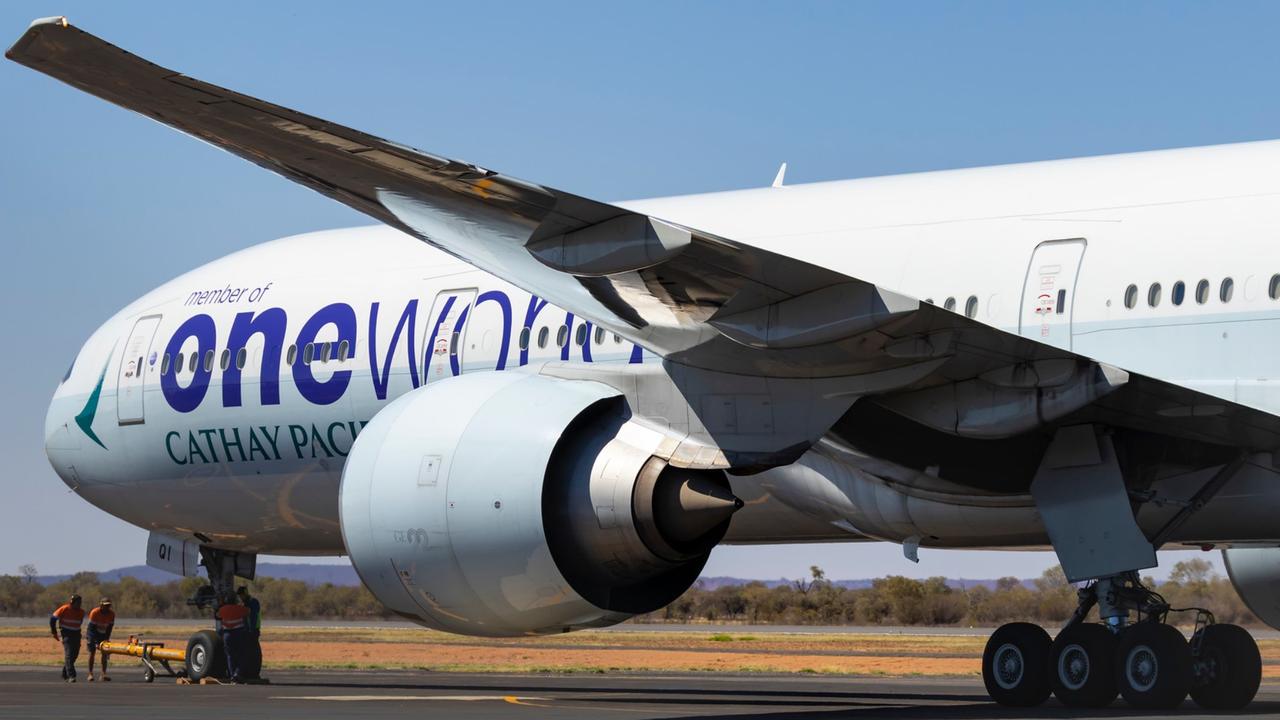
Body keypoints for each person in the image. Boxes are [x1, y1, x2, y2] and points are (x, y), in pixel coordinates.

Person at [50, 594, 85, 683]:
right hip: (66, 634)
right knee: (69, 654)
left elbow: (79, 623)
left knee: (75, 654)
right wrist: (54, 632)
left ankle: (65, 673)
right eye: (77, 603)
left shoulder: (81, 612)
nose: (78, 604)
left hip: (77, 634)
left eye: (80, 603)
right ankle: (71, 676)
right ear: (72, 602)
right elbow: (53, 619)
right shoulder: (64, 608)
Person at [215, 593, 250, 683]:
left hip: (227, 634)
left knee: (230, 656)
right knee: (242, 655)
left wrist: (221, 604)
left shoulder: (222, 609)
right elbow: (248, 611)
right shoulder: (240, 609)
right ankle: (237, 673)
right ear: (235, 600)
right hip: (238, 633)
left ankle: (232, 675)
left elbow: (217, 616)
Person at [85, 598, 115, 682]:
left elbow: (109, 628)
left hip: (103, 633)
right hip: (92, 633)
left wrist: (106, 639)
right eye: (105, 605)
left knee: (104, 653)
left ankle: (103, 674)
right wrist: (95, 642)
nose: (107, 607)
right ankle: (90, 674)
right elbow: (91, 629)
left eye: (108, 606)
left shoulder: (112, 614)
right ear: (101, 605)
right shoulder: (94, 612)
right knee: (92, 652)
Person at [236, 586, 262, 680]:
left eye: (241, 595)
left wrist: (251, 630)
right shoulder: (245, 603)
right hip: (247, 631)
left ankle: (250, 673)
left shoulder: (252, 602)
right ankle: (249, 672)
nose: (240, 597)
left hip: (253, 630)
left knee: (250, 652)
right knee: (249, 652)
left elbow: (253, 617)